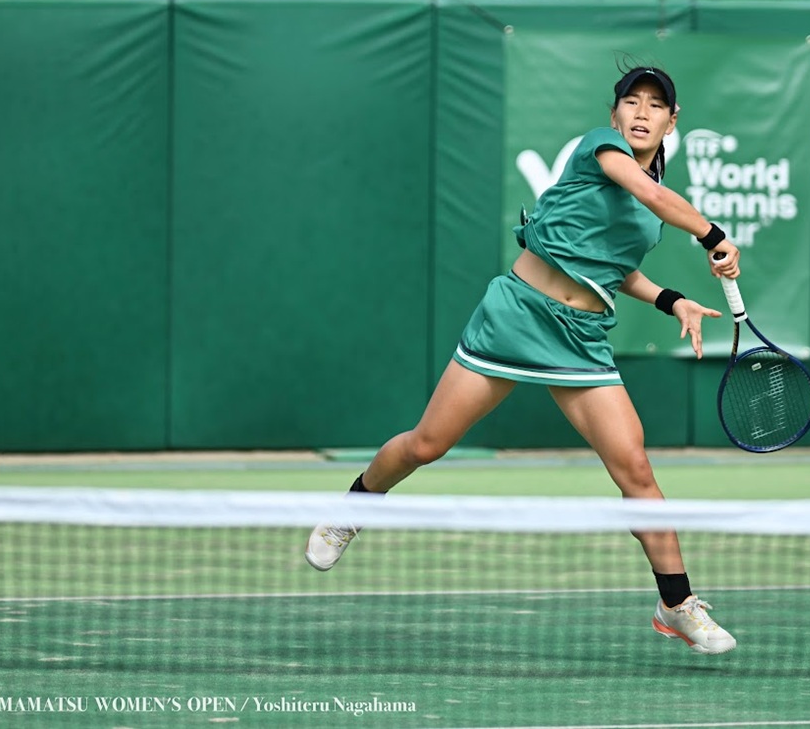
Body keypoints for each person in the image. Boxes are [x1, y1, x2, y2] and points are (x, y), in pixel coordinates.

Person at [306, 64, 742, 655]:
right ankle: (351, 507)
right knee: (427, 445)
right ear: (614, 113)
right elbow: (652, 193)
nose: (642, 113)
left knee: (635, 469)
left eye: (655, 105)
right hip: (515, 316)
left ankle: (676, 604)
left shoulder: (647, 210)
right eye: (631, 102)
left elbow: (616, 267)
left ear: (672, 120)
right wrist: (712, 235)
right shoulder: (602, 149)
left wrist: (672, 300)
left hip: (580, 337)